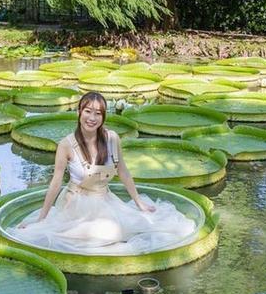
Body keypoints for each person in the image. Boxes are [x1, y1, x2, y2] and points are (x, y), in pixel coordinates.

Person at [14, 92, 198, 254]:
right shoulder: (66, 145)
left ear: (103, 117)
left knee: (146, 226)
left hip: (105, 200)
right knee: (101, 235)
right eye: (87, 111)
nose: (92, 118)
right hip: (76, 203)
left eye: (98, 113)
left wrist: (138, 202)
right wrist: (41, 218)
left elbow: (123, 171)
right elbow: (55, 182)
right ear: (79, 112)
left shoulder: (112, 138)